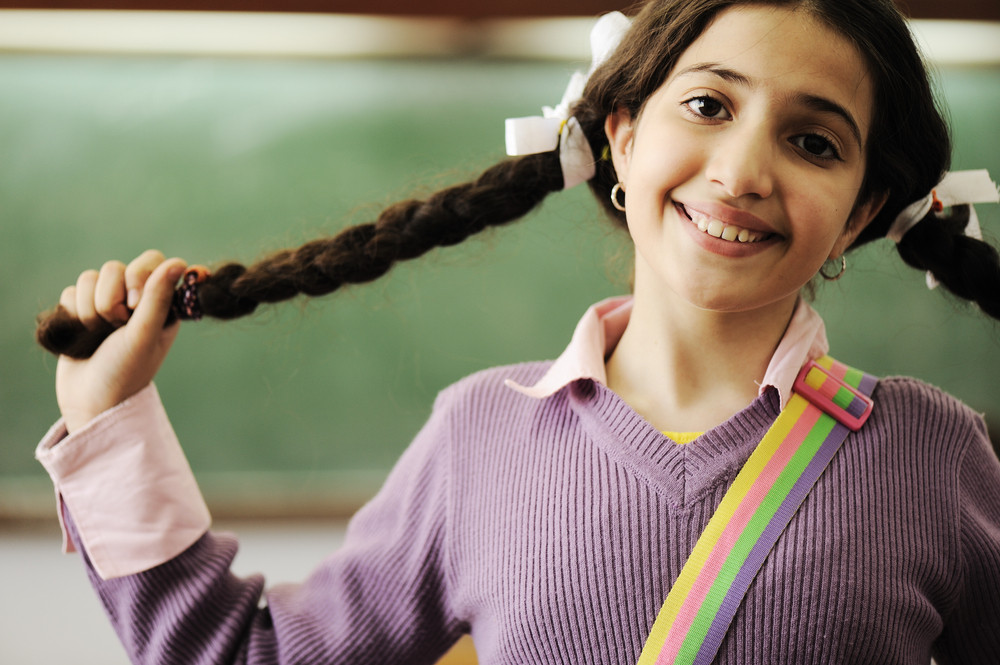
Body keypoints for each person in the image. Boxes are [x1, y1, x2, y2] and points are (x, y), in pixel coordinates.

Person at [33, 0, 1000, 663]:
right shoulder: (480, 434)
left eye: (813, 141)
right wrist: (108, 423)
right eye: (707, 104)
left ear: (866, 210)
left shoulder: (933, 452)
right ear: (623, 134)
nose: (743, 172)